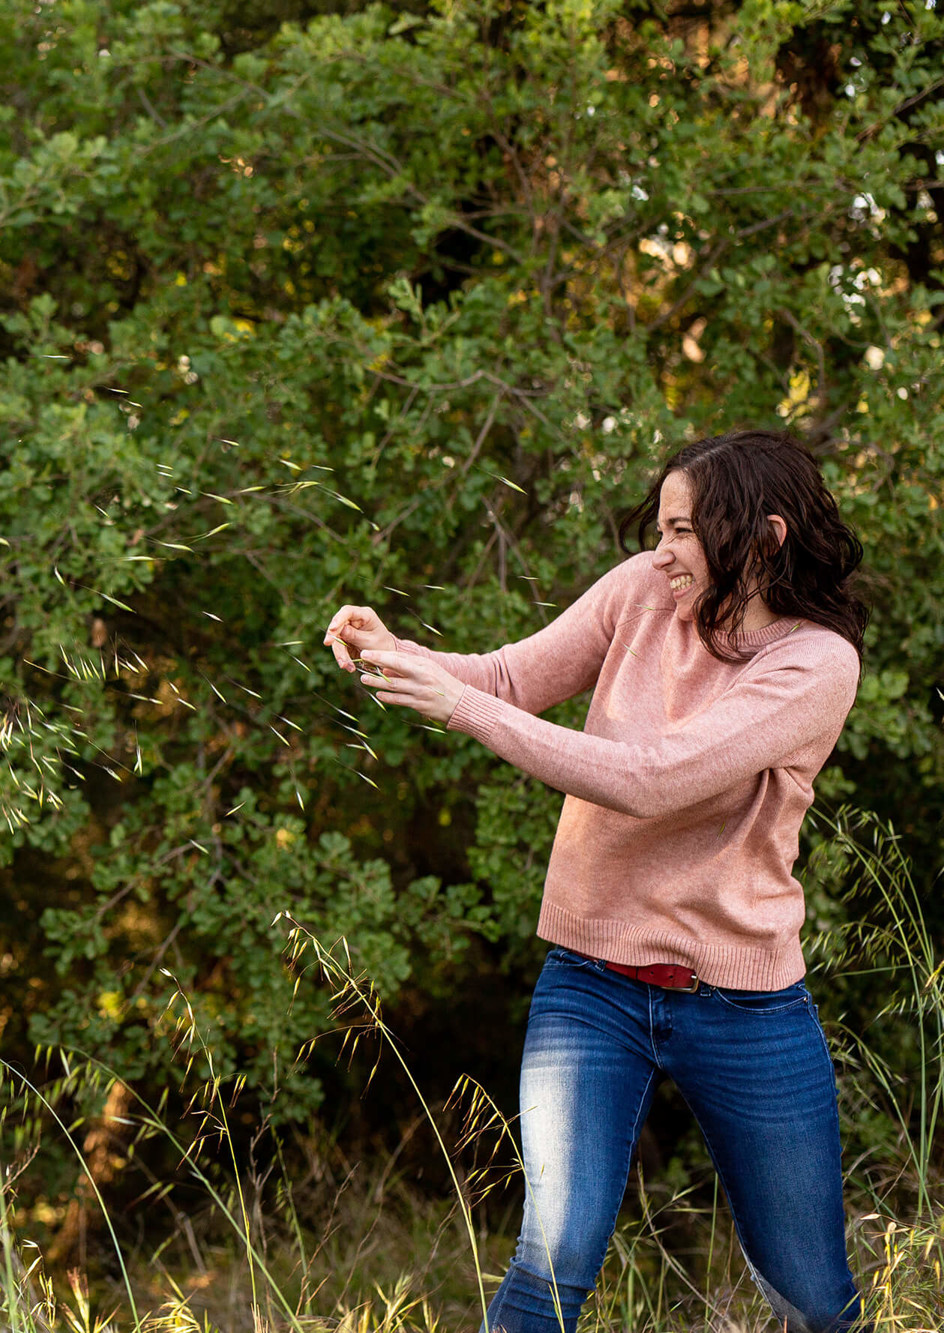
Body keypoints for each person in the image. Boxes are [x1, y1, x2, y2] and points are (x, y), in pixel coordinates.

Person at [324, 429, 871, 1333]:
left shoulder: (815, 665)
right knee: (552, 1259)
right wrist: (402, 656)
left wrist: (460, 706)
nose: (662, 552)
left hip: (745, 1006)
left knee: (813, 1295)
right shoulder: (642, 592)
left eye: (684, 531)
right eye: (661, 527)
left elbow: (651, 778)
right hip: (591, 985)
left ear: (766, 537)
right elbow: (506, 678)